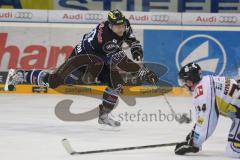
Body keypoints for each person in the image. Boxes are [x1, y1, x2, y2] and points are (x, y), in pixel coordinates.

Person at [4, 9, 158, 127]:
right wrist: (144, 71)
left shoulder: (124, 25)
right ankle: (19, 75)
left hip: (101, 58)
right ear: (110, 25)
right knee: (54, 82)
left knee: (115, 83)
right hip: (82, 58)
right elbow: (123, 63)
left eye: (122, 24)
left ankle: (103, 116)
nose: (121, 28)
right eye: (117, 26)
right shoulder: (105, 39)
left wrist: (136, 47)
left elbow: (130, 38)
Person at [175, 62, 240, 158]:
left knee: (233, 150)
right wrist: (193, 134)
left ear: (191, 81)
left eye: (184, 81)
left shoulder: (203, 92)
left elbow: (208, 122)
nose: (183, 85)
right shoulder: (205, 83)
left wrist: (194, 143)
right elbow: (201, 118)